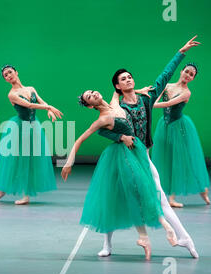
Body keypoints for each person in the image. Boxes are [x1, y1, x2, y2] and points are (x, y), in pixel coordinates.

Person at [96, 36, 201, 258]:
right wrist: (119, 139)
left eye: (129, 77)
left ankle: (184, 237)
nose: (128, 80)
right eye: (123, 79)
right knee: (112, 196)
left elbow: (165, 76)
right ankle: (107, 244)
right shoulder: (117, 106)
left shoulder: (147, 98)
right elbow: (102, 129)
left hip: (142, 157)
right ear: (117, 86)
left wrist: (180, 52)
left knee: (160, 197)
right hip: (122, 158)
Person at [62, 90, 178, 260]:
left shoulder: (115, 102)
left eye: (93, 92)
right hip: (120, 158)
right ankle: (150, 233)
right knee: (125, 195)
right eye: (89, 97)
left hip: (135, 153)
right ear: (90, 106)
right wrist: (68, 162)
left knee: (143, 190)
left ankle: (150, 234)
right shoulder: (102, 119)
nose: (93, 95)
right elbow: (79, 140)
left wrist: (140, 90)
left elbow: (120, 90)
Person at [0, 65, 62, 205]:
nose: (8, 75)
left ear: (16, 72)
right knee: (13, 160)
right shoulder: (12, 94)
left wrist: (47, 108)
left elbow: (41, 101)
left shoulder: (31, 88)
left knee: (29, 161)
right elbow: (29, 105)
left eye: (10, 72)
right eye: (5, 75)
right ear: (5, 80)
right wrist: (48, 107)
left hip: (33, 127)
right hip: (19, 128)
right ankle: (4, 189)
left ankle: (24, 194)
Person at [152, 63, 210, 207]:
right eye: (187, 71)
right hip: (164, 126)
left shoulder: (186, 93)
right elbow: (156, 97)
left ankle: (202, 189)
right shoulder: (167, 86)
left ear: (192, 79)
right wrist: (150, 100)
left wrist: (150, 105)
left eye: (191, 74)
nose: (188, 75)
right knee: (166, 159)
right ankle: (165, 196)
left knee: (185, 160)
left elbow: (169, 104)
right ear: (181, 71)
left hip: (179, 129)